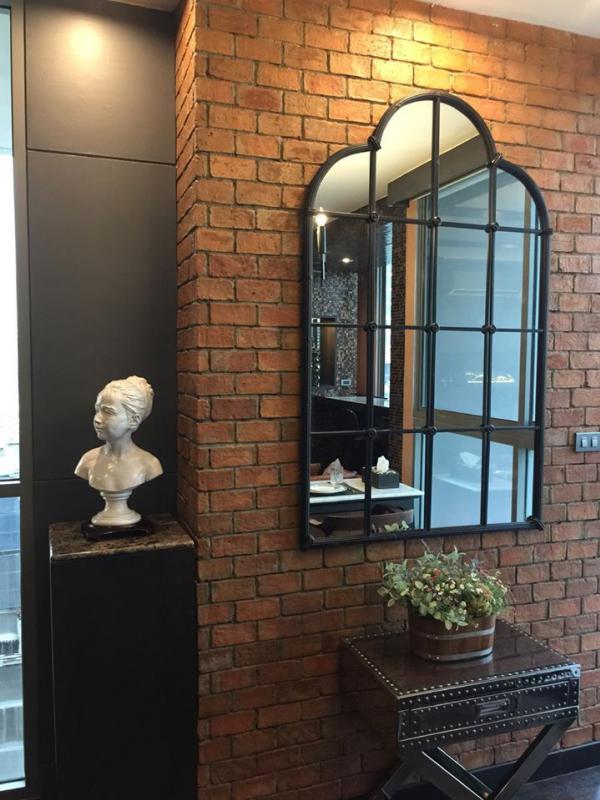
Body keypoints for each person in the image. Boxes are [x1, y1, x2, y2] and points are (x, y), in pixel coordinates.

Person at [75, 376, 162, 526]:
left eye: (108, 412)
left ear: (133, 420)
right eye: (97, 410)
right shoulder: (87, 461)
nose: (97, 419)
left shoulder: (149, 465)